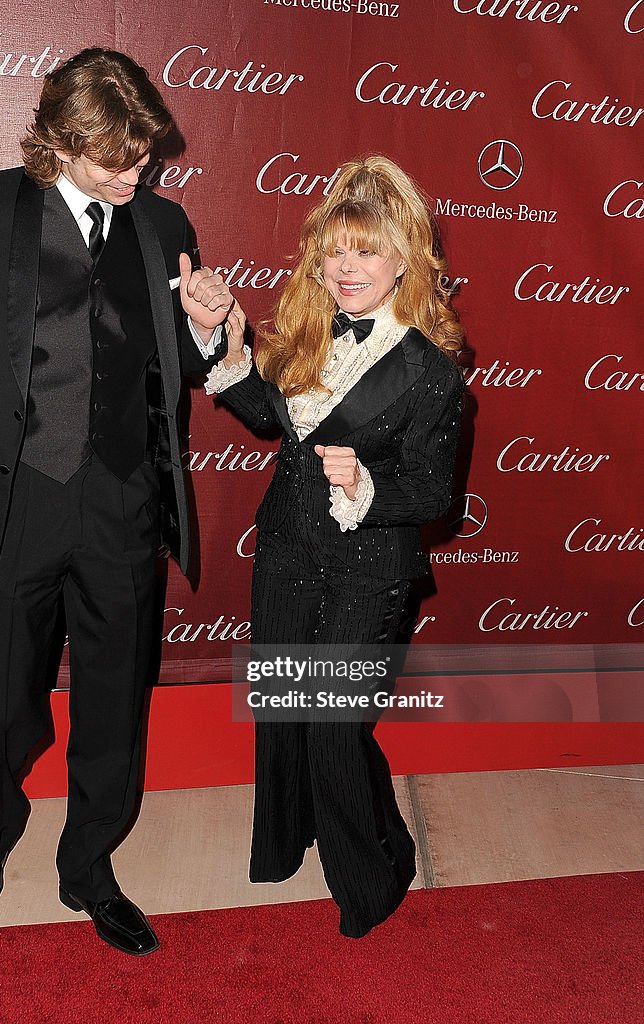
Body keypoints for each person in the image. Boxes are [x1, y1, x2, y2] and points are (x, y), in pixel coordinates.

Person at [0, 47, 233, 956]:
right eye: (120, 159)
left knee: (114, 701)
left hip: (124, 506)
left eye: (146, 154)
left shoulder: (165, 224)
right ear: (61, 142)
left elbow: (190, 362)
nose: (140, 171)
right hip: (13, 501)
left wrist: (211, 335)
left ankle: (90, 868)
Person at [207, 155, 464, 937]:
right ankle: (289, 845)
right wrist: (223, 335)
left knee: (331, 724)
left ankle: (374, 878)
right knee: (290, 708)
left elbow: (437, 495)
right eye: (337, 250)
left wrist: (369, 485)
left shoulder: (430, 372)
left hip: (368, 565)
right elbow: (268, 415)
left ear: (404, 262)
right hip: (286, 546)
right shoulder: (308, 336)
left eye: (368, 251)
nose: (349, 267)